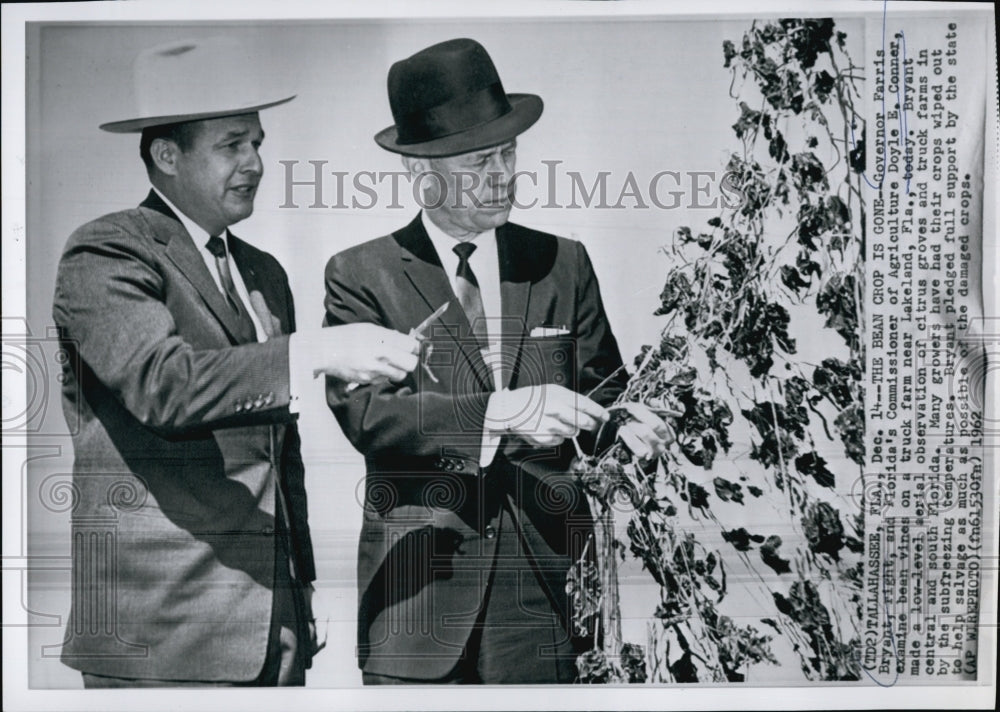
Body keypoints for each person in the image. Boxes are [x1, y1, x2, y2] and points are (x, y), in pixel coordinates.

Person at [52, 37, 419, 687]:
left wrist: (297, 585)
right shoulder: (107, 251)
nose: (254, 161)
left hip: (270, 629)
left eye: (257, 142)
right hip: (161, 639)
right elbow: (163, 387)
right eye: (231, 145)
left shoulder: (262, 273)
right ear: (166, 155)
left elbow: (282, 450)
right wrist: (319, 350)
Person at [323, 38, 674, 684]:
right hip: (417, 604)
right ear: (420, 172)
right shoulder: (361, 276)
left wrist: (630, 429)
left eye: (508, 152)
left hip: (547, 600)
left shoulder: (562, 263)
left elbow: (604, 394)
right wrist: (502, 413)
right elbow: (369, 416)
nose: (503, 174)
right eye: (480, 160)